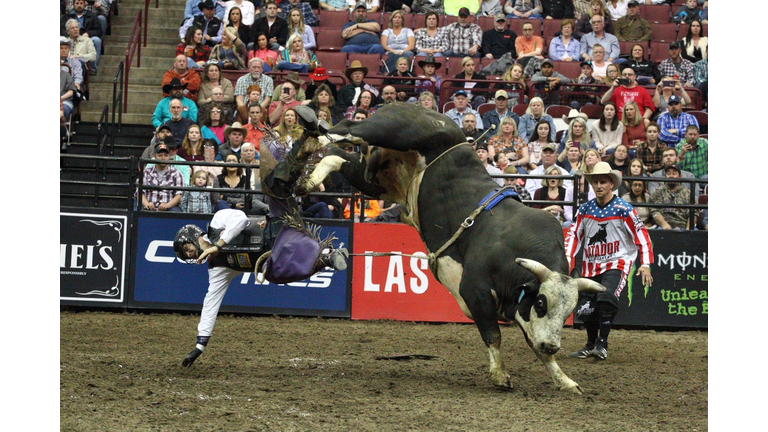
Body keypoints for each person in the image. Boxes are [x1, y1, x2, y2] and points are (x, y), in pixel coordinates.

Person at [176, 113, 349, 365]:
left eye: (187, 249)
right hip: (278, 249)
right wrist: (200, 345)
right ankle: (329, 257)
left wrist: (218, 245)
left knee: (274, 184)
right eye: (187, 256)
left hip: (279, 221)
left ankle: (308, 136)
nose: (190, 255)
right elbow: (210, 303)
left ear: (193, 236)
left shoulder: (216, 223)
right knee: (275, 274)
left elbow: (240, 220)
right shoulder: (218, 270)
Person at [565, 160, 654, 360]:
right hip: (591, 265)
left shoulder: (624, 209)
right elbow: (573, 235)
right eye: (596, 182)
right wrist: (566, 258)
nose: (599, 186)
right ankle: (590, 343)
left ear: (611, 184)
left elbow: (642, 236)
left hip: (617, 262)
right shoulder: (585, 210)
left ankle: (602, 343)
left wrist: (645, 263)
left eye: (603, 182)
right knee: (586, 307)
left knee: (606, 297)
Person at [60, 0, 103, 74]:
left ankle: (92, 68)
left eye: (81, 3)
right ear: (73, 4)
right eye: (77, 3)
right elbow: (61, 29)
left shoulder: (92, 16)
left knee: (96, 40)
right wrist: (69, 34)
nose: (79, 5)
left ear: (85, 4)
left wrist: (88, 33)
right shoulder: (67, 16)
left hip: (87, 38)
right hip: (70, 38)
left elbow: (99, 31)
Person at [140, 143, 186, 212]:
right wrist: (147, 204)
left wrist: (168, 205)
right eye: (160, 155)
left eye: (165, 155)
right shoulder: (146, 172)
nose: (163, 158)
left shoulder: (176, 173)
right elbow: (140, 193)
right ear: (155, 156)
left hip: (170, 206)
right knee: (140, 211)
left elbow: (179, 195)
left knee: (176, 212)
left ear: (169, 157)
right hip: (149, 205)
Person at [649, 164, 693, 229]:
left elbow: (693, 213)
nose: (671, 176)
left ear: (680, 176)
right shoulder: (658, 192)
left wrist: (688, 229)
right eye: (668, 173)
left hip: (683, 226)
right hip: (664, 226)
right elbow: (655, 211)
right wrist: (664, 224)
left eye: (674, 173)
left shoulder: (687, 193)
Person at [235, 58, 275, 123]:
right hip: (244, 111)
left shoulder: (269, 80)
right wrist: (246, 112)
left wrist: (256, 111)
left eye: (258, 67)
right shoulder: (241, 80)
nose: (256, 70)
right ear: (249, 68)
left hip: (261, 110)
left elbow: (267, 99)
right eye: (254, 67)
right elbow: (239, 99)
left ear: (262, 69)